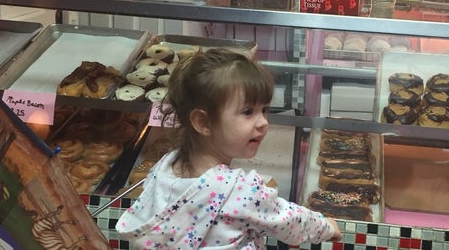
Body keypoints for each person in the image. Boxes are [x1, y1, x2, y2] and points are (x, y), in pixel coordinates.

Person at [116, 48, 341, 249]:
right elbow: (287, 220)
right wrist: (327, 227)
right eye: (248, 112)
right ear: (203, 123)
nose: (263, 122)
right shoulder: (239, 190)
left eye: (264, 110)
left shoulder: (165, 167)